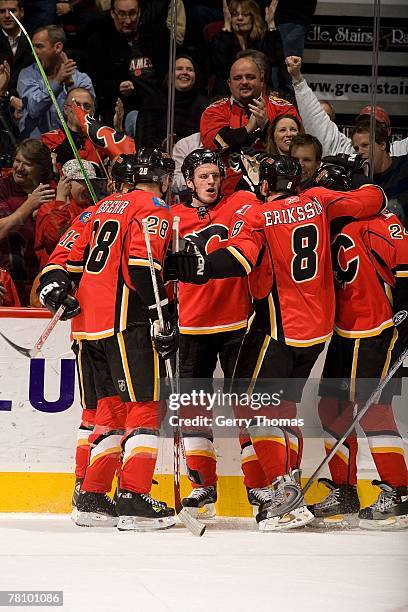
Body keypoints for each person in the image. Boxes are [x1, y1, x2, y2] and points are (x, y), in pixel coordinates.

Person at [173, 155, 386, 531]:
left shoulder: (257, 215)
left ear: (266, 185)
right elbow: (375, 199)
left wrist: (200, 267)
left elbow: (238, 258)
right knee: (282, 409)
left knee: (253, 407)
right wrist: (359, 180)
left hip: (279, 329)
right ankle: (289, 489)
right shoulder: (319, 200)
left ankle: (282, 497)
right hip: (319, 331)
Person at [38, 148, 178, 531]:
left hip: (85, 328)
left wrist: (56, 289)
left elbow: (59, 264)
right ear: (161, 180)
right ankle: (132, 496)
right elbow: (141, 265)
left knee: (108, 411)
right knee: (145, 407)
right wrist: (162, 314)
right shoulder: (151, 205)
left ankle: (93, 495)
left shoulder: (94, 211)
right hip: (126, 324)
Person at [171, 148, 270, 516]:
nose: (211, 181)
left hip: (236, 323)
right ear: (189, 181)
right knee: (194, 412)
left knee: (247, 409)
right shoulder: (173, 217)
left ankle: (260, 488)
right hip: (191, 326)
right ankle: (203, 488)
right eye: (203, 176)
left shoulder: (241, 202)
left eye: (215, 175)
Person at [309, 166, 408, 529]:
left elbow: (406, 265)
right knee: (331, 407)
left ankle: (399, 492)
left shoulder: (381, 221)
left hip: (377, 329)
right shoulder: (328, 228)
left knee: (373, 411)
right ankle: (344, 489)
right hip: (346, 331)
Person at [200, 56, 300, 194]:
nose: (244, 82)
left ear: (261, 79)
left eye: (250, 77)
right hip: (227, 195)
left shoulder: (283, 108)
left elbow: (296, 147)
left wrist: (266, 125)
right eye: (238, 78)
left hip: (277, 192)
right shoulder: (215, 110)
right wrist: (248, 129)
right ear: (229, 83)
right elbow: (214, 144)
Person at [285, 55, 408, 158]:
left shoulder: (400, 152)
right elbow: (316, 119)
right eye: (363, 125)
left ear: (388, 132)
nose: (368, 131)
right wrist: (298, 79)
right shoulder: (346, 150)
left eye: (375, 126)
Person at [0, 139, 55, 304]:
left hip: (41, 283)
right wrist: (29, 206)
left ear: (42, 168)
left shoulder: (53, 190)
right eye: (17, 161)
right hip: (7, 283)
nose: (19, 168)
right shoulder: (3, 187)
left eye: (27, 164)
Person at [17, 25, 95, 138]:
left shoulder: (81, 80)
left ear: (57, 47)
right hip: (37, 148)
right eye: (33, 47)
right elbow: (34, 109)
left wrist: (70, 83)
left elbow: (84, 116)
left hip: (72, 145)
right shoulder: (27, 75)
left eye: (39, 47)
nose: (34, 52)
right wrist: (57, 81)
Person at [34, 158, 98, 269]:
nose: (88, 187)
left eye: (91, 182)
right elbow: (54, 238)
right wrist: (60, 201)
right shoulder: (48, 208)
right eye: (83, 181)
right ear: (66, 182)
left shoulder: (91, 207)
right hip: (55, 273)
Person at [208, 0, 280, 96]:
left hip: (258, 93)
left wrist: (270, 24)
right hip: (226, 93)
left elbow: (274, 60)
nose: (240, 18)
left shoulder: (261, 39)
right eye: (234, 15)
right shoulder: (222, 38)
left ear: (254, 17)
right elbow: (220, 66)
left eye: (245, 14)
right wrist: (227, 27)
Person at [134, 55, 210, 148]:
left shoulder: (206, 105)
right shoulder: (153, 102)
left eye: (190, 70)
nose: (185, 72)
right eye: (179, 68)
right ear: (170, 74)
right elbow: (144, 140)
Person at [350, 121, 408, 226]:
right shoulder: (358, 179)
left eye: (365, 145)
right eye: (356, 148)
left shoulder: (404, 167)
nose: (360, 151)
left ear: (382, 144)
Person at [41, 87, 102, 168]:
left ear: (93, 113)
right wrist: (74, 133)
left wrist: (118, 129)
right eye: (76, 105)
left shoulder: (100, 142)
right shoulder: (49, 139)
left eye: (87, 107)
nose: (82, 110)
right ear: (66, 110)